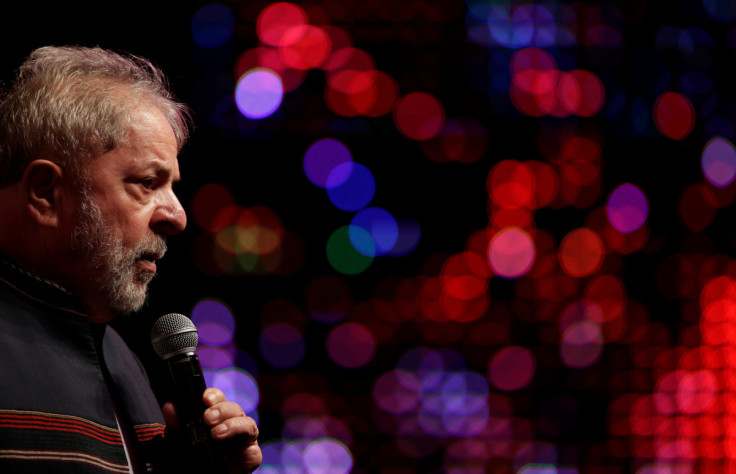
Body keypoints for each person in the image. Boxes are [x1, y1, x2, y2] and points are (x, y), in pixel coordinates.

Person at [0, 46, 262, 472]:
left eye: (172, 186)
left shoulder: (120, 356)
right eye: (147, 182)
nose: (177, 216)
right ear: (46, 193)